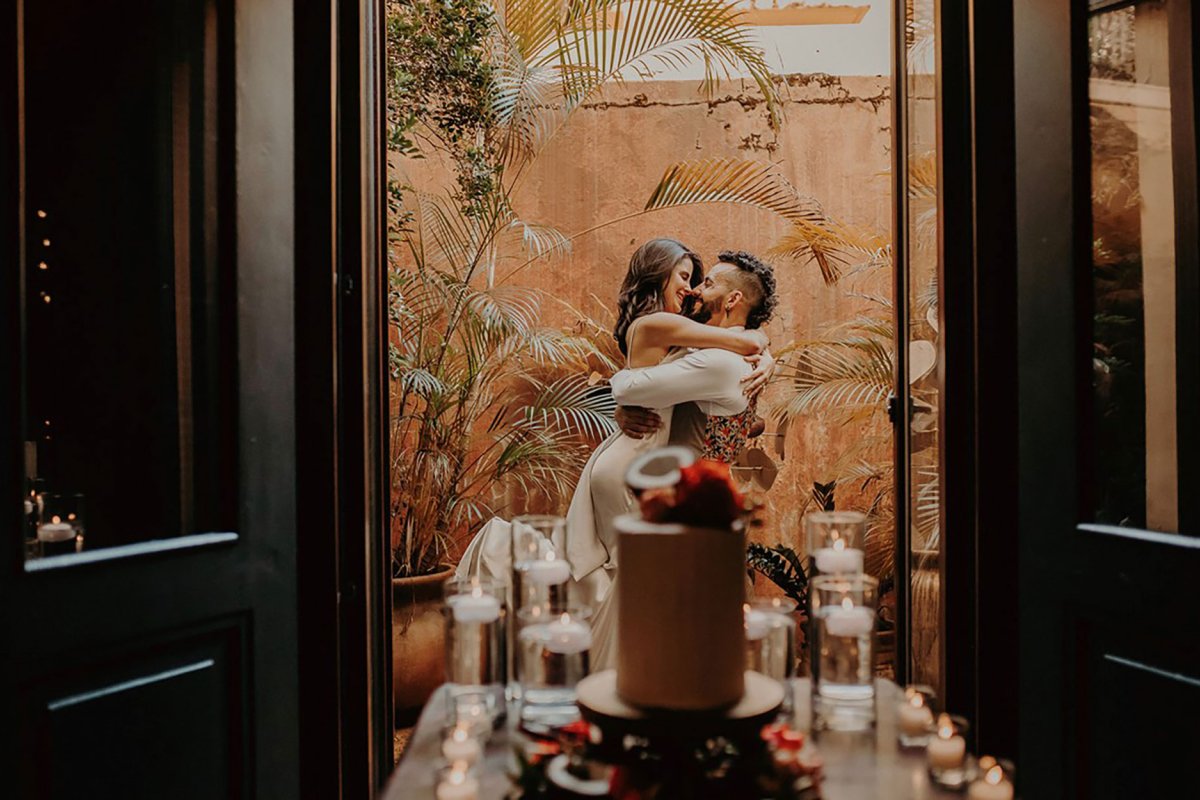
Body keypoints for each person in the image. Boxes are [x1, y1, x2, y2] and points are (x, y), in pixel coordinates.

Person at [584, 250, 778, 668]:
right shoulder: (713, 350)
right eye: (689, 278)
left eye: (708, 282)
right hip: (683, 506)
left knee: (668, 621)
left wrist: (621, 394)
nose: (695, 288)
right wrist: (762, 347)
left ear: (731, 302)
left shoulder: (718, 360)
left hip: (687, 511)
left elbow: (634, 387)